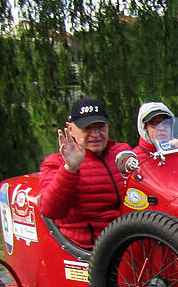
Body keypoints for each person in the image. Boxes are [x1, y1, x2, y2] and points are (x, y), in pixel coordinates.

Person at [39, 97, 131, 248]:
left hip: (130, 236)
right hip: (93, 248)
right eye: (87, 128)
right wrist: (70, 168)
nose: (95, 134)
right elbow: (50, 210)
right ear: (70, 129)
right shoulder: (56, 163)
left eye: (101, 127)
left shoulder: (122, 152)